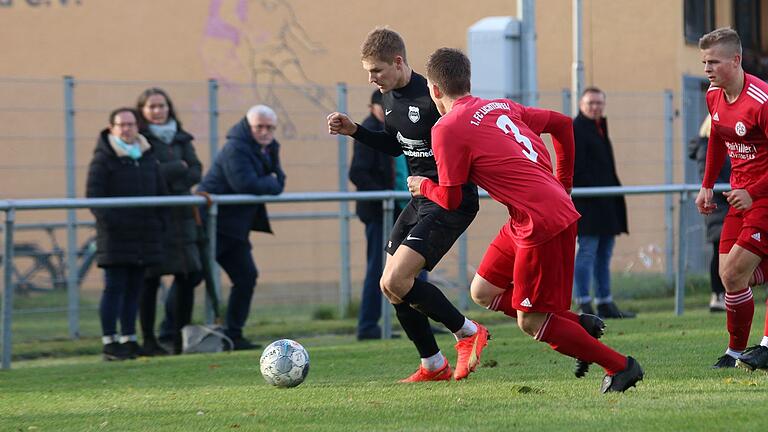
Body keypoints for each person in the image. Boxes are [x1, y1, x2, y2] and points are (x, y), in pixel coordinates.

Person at [409, 47, 643, 393]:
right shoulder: (500, 106)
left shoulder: (446, 127)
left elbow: (452, 199)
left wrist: (422, 185)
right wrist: (563, 186)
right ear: (467, 80)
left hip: (540, 222)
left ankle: (621, 366)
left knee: (531, 321)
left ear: (435, 89)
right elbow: (562, 124)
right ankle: (578, 325)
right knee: (483, 290)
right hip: (528, 216)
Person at [327, 27, 489, 382]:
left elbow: (467, 140)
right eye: (368, 72)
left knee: (400, 278)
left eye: (377, 71)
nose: (372, 79)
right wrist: (354, 129)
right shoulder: (387, 98)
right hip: (420, 198)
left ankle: (467, 331)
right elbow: (395, 145)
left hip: (450, 199)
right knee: (390, 284)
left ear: (398, 62)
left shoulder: (433, 95)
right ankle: (432, 364)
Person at [696, 27, 768, 370]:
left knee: (737, 269)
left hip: (763, 197)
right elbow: (717, 139)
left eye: (714, 62)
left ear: (736, 60)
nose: (707, 69)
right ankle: (736, 351)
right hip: (739, 196)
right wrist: (707, 184)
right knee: (729, 277)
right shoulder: (713, 95)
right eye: (704, 62)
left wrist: (752, 191)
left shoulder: (762, 101)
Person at [198, 104, 286, 350]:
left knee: (246, 277)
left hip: (235, 228)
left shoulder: (271, 147)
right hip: (211, 224)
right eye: (260, 127)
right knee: (192, 277)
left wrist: (267, 182)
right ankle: (169, 335)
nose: (265, 132)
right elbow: (244, 184)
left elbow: (280, 182)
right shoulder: (235, 147)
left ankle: (233, 335)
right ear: (249, 126)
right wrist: (268, 182)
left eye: (270, 127)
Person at [85, 107, 167, 361]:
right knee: (114, 288)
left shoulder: (147, 156)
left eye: (131, 124)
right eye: (121, 125)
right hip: (116, 237)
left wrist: (158, 224)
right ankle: (110, 341)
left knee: (135, 289)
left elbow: (161, 194)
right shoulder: (104, 159)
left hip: (144, 236)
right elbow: (95, 199)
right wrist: (117, 224)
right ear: (112, 128)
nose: (127, 129)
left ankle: (129, 339)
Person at [136, 88, 204, 355]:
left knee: (188, 276)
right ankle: (149, 340)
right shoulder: (139, 139)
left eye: (162, 106)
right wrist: (178, 169)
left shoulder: (181, 137)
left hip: (183, 218)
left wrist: (173, 175)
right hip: (154, 219)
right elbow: (147, 175)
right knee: (149, 280)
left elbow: (196, 169)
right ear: (142, 110)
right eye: (152, 106)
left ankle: (179, 336)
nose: (157, 111)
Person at [571, 87, 634, 319]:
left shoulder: (599, 128)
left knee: (604, 253)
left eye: (599, 103)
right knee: (587, 251)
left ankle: (605, 301)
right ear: (581, 104)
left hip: (606, 204)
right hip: (588, 205)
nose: (595, 107)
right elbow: (577, 170)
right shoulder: (577, 129)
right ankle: (584, 303)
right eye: (590, 103)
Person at [349, 90, 396, 340]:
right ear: (374, 107)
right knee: (377, 268)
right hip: (380, 213)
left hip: (401, 209)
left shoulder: (397, 130)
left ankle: (419, 317)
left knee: (415, 268)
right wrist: (385, 196)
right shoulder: (368, 131)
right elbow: (358, 173)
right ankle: (368, 326)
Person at [688, 114, 729, 312]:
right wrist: (734, 190)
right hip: (720, 206)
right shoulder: (707, 146)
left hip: (729, 202)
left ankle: (728, 293)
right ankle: (718, 293)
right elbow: (709, 178)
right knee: (719, 250)